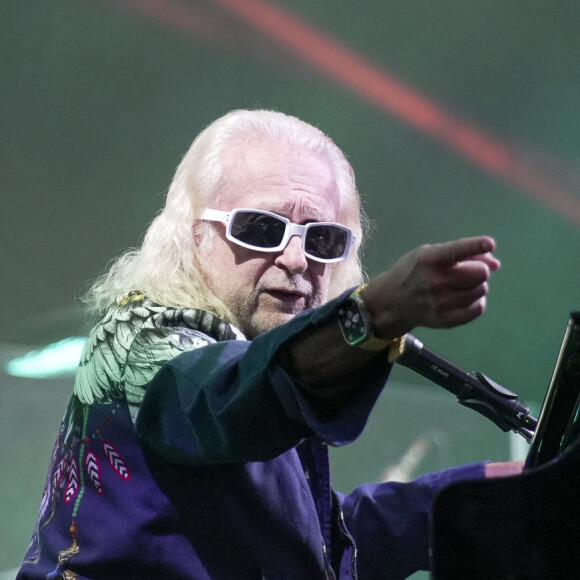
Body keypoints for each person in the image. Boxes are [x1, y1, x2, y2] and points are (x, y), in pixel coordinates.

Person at [18, 109, 521, 580]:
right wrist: (376, 313)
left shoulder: (257, 360)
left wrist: (487, 491)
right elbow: (229, 398)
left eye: (323, 239)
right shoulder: (143, 336)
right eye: (262, 229)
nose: (298, 259)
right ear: (194, 237)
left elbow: (319, 546)